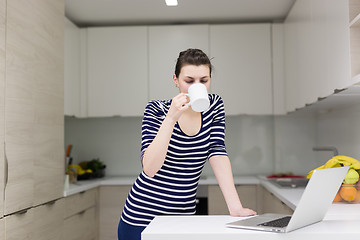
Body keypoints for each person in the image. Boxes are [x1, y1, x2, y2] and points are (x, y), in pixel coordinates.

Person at [117, 48, 256, 240]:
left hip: (183, 217)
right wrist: (171, 118)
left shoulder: (214, 106)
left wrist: (235, 207)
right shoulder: (156, 109)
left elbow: (217, 152)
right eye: (189, 81)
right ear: (176, 80)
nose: (197, 86)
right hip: (143, 218)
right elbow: (149, 168)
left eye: (204, 81)